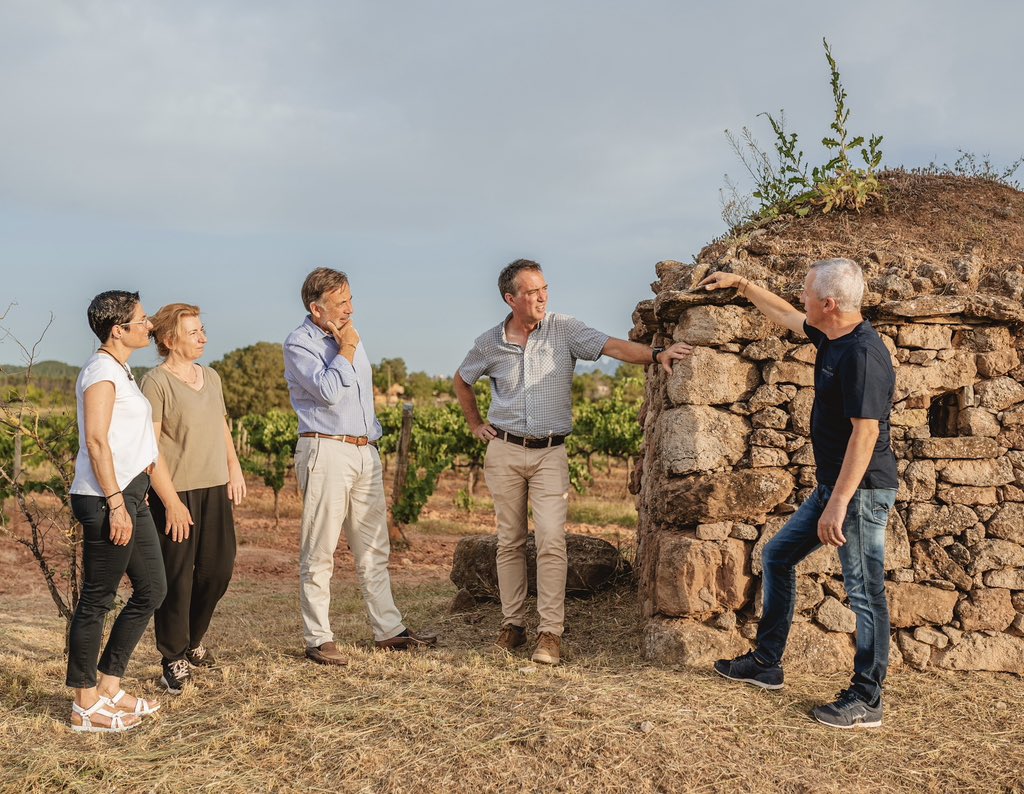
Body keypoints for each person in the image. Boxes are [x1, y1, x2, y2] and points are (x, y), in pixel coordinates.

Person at [453, 259, 692, 666]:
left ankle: (550, 633)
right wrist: (476, 424)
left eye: (544, 287)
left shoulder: (565, 329)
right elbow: (461, 380)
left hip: (550, 452)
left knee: (550, 539)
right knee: (508, 541)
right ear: (511, 299)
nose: (543, 296)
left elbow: (612, 346)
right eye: (532, 291)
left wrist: (657, 354)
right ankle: (512, 625)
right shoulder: (489, 342)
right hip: (505, 451)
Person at [701, 258, 898, 729]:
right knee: (778, 556)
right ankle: (767, 664)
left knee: (865, 592)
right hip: (836, 486)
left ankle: (868, 699)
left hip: (862, 492)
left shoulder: (862, 356)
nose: (801, 298)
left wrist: (838, 502)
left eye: (807, 292)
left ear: (829, 304)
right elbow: (788, 317)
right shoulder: (831, 334)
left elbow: (865, 435)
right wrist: (745, 284)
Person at [284, 267, 438, 665]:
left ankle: (388, 629)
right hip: (325, 450)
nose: (351, 308)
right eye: (341, 302)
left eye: (350, 299)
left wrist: (371, 433)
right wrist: (347, 348)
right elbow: (331, 393)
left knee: (374, 546)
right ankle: (318, 637)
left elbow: (361, 395)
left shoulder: (350, 335)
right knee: (320, 549)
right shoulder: (300, 343)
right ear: (317, 310)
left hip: (362, 452)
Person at [66, 290, 192, 732]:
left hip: (129, 495)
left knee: (152, 588)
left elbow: (138, 447)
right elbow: (97, 442)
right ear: (118, 330)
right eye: (141, 320)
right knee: (97, 600)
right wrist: (116, 503)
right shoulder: (101, 371)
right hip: (107, 498)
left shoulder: (122, 370)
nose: (149, 325)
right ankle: (84, 703)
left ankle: (108, 684)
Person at [141, 303, 247, 694]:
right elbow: (149, 450)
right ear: (170, 340)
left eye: (202, 330)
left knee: (218, 570)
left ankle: (193, 640)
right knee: (177, 579)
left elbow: (220, 426)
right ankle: (172, 657)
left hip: (215, 487)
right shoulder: (155, 383)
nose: (203, 337)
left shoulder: (212, 376)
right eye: (193, 332)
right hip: (176, 493)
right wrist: (170, 502)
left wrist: (233, 468)